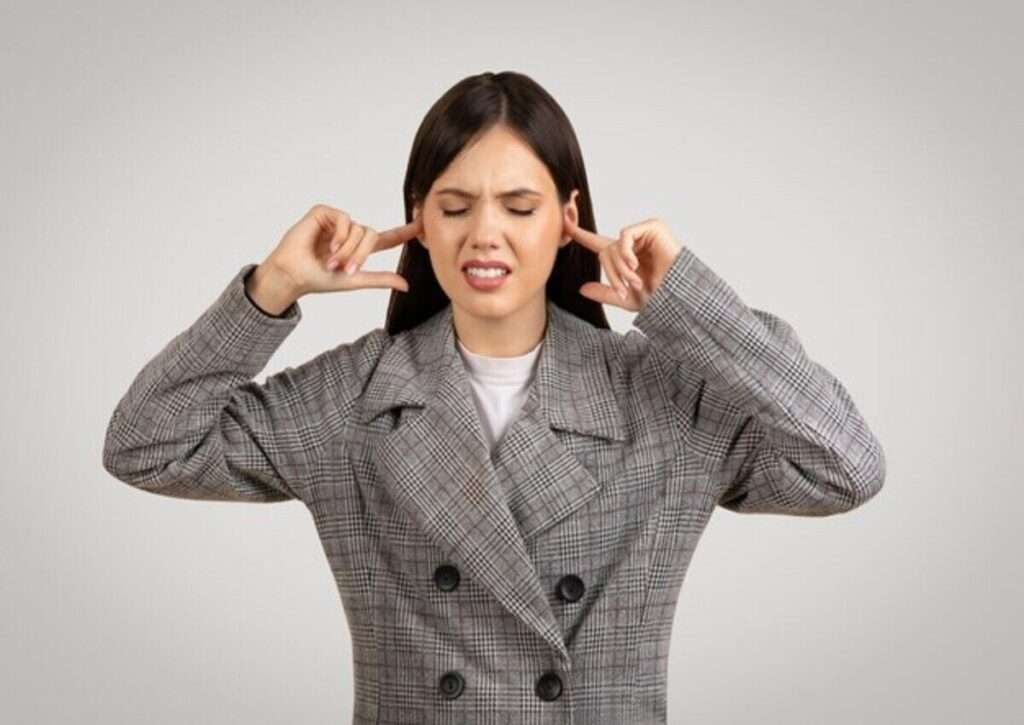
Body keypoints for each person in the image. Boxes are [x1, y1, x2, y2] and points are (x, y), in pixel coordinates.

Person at [102, 70, 886, 724]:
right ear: (417, 220)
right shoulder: (355, 397)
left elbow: (844, 465)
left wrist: (686, 300)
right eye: (454, 207)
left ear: (568, 219)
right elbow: (148, 443)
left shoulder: (663, 395)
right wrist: (271, 289)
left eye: (519, 207)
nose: (486, 235)